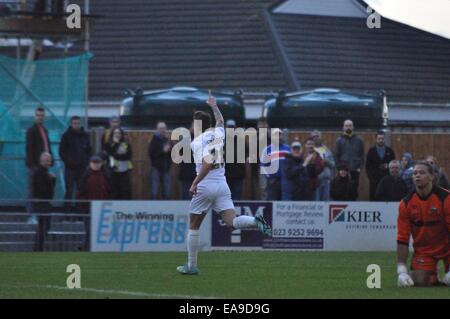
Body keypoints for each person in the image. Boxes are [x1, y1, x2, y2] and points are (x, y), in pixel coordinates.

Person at [177, 91, 271, 275]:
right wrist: (213, 105)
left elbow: (207, 163)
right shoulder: (218, 133)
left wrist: (195, 183)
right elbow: (220, 121)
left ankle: (191, 266)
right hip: (222, 184)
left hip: (205, 185)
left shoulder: (197, 142)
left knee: (193, 226)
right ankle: (254, 221)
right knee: (232, 221)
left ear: (197, 126)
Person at [397, 161, 450, 287]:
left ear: (432, 177)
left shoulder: (446, 198)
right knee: (418, 281)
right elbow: (402, 238)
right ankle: (433, 278)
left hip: (448, 248)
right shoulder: (405, 203)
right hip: (424, 251)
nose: (417, 176)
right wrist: (401, 269)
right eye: (415, 173)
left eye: (422, 172)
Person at [77, 155, 112, 251]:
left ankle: (87, 247)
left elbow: (109, 191)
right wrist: (84, 206)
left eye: (98, 163)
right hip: (89, 208)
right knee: (89, 230)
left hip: (102, 208)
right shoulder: (86, 176)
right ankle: (86, 247)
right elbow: (81, 192)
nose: (96, 165)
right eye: (94, 163)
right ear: (90, 163)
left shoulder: (105, 176)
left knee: (97, 230)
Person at [26, 107, 53, 224]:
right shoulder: (31, 130)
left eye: (42, 115)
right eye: (38, 115)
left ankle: (41, 214)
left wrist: (50, 161)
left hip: (44, 166)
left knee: (43, 191)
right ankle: (31, 215)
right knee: (32, 190)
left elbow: (47, 146)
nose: (40, 117)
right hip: (35, 166)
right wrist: (33, 165)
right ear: (34, 116)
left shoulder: (45, 130)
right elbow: (29, 149)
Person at [59, 116, 91, 208]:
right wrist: (69, 162)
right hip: (70, 169)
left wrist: (85, 161)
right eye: (74, 123)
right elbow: (62, 152)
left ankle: (79, 214)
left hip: (81, 168)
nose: (76, 125)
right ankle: (67, 215)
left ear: (80, 123)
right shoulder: (66, 136)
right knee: (69, 191)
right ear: (71, 124)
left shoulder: (85, 135)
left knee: (80, 191)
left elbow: (89, 150)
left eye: (77, 123)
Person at [335, 119, 365, 200]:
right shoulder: (339, 140)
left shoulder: (359, 140)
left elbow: (362, 155)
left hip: (355, 171)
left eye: (350, 125)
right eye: (346, 125)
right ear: (343, 127)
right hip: (343, 171)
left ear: (353, 127)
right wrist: (339, 169)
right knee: (342, 192)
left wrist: (359, 167)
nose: (348, 127)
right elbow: (336, 156)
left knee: (353, 192)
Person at [32, 152, 56, 252]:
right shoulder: (39, 173)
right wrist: (51, 179)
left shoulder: (46, 173)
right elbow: (43, 190)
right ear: (41, 161)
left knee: (44, 227)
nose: (47, 162)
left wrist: (52, 179)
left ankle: (38, 248)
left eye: (49, 160)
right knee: (43, 227)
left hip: (45, 203)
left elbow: (50, 192)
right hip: (42, 203)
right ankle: (38, 248)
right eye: (45, 160)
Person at [260, 128, 290, 201]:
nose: (278, 137)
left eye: (280, 135)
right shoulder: (267, 149)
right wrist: (269, 177)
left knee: (285, 201)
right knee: (272, 201)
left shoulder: (288, 148)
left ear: (282, 136)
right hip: (273, 181)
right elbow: (263, 165)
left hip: (286, 180)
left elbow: (291, 164)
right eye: (276, 135)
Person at [365, 131, 396, 201]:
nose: (381, 140)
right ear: (376, 139)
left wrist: (388, 166)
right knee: (374, 198)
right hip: (374, 180)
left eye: (382, 139)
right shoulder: (371, 151)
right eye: (379, 139)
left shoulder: (390, 151)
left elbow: (393, 164)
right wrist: (371, 178)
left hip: (387, 179)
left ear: (384, 139)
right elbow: (368, 166)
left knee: (387, 198)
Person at [104, 127, 133, 199]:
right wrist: (116, 144)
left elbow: (127, 156)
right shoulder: (108, 144)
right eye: (115, 133)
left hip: (124, 171)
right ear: (112, 134)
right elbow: (110, 154)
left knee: (126, 192)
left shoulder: (126, 144)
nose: (117, 134)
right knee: (114, 192)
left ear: (122, 134)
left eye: (119, 133)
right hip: (113, 172)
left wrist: (116, 155)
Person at [149, 121, 172, 199]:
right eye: (161, 128)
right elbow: (151, 154)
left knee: (167, 191)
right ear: (157, 129)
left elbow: (171, 155)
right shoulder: (153, 140)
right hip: (156, 168)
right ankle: (153, 208)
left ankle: (167, 209)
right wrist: (163, 151)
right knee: (154, 191)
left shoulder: (167, 140)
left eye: (164, 128)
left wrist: (171, 150)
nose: (162, 130)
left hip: (166, 168)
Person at [224, 119, 246, 200]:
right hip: (226, 173)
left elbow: (247, 153)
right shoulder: (222, 140)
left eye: (232, 127)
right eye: (229, 127)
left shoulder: (241, 141)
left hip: (238, 173)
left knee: (237, 196)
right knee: (226, 196)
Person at [311, 130, 335, 201]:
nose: (315, 138)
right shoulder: (310, 149)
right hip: (315, 182)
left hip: (326, 181)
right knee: (316, 203)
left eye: (317, 136)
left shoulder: (326, 150)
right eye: (313, 137)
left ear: (321, 137)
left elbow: (333, 164)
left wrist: (326, 161)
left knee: (326, 204)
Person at [178, 125, 197, 200]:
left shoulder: (201, 139)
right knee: (185, 193)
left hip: (196, 173)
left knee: (195, 196)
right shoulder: (184, 138)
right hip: (185, 172)